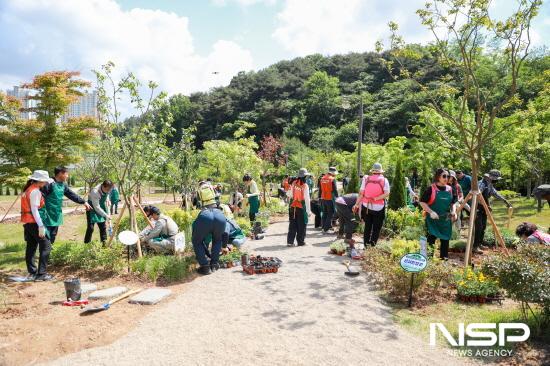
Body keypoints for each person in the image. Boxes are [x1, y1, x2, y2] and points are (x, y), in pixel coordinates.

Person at [41, 166, 91, 244]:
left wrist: (83, 202)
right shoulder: (49, 184)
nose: (67, 176)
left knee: (53, 235)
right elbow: (40, 198)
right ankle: (44, 252)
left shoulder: (63, 185)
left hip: (56, 214)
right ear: (61, 173)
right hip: (46, 214)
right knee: (45, 235)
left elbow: (72, 195)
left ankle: (48, 252)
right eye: (67, 174)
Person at [21, 170, 54, 281]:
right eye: (44, 181)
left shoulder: (28, 189)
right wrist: (41, 225)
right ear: (40, 181)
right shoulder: (35, 192)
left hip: (28, 223)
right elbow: (35, 210)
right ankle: (41, 274)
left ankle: (32, 272)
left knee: (31, 246)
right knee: (46, 246)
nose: (45, 184)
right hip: (35, 222)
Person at [419, 169, 457, 260]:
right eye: (444, 176)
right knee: (430, 240)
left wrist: (454, 211)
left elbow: (453, 203)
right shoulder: (431, 189)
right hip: (433, 220)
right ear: (438, 177)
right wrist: (431, 212)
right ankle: (427, 261)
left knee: (445, 240)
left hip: (445, 220)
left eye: (448, 176)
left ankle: (443, 262)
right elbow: (422, 202)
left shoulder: (450, 189)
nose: (446, 178)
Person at [474, 170, 513, 253]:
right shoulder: (481, 183)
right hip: (477, 208)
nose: (497, 180)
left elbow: (495, 194)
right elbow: (477, 196)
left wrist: (505, 200)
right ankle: (475, 246)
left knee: (483, 226)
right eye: (496, 179)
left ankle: (480, 243)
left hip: (484, 208)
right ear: (491, 177)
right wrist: (486, 206)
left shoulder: (489, 184)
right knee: (479, 227)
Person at [192, 181, 226, 275]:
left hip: (206, 214)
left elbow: (196, 203)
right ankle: (214, 264)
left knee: (197, 241)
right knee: (217, 240)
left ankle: (205, 266)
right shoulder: (212, 187)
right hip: (218, 214)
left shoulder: (199, 190)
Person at [354, 163, 390, 247]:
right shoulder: (384, 180)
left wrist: (356, 204)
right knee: (376, 228)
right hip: (379, 207)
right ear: (381, 172)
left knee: (367, 227)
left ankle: (366, 246)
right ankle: (372, 246)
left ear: (372, 171)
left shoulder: (366, 179)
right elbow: (387, 193)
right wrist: (376, 198)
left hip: (366, 206)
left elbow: (361, 193)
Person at [287, 168, 311, 246]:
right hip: (301, 207)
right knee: (302, 225)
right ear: (304, 177)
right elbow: (307, 199)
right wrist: (308, 211)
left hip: (293, 207)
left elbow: (289, 194)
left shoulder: (293, 183)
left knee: (292, 225)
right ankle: (300, 242)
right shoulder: (305, 186)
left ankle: (290, 242)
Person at [84, 180, 113, 244]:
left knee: (103, 227)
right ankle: (87, 243)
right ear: (103, 186)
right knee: (90, 228)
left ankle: (104, 244)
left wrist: (108, 200)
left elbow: (107, 194)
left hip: (101, 206)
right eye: (107, 190)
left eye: (109, 190)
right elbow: (96, 207)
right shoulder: (95, 192)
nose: (108, 191)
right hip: (91, 208)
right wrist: (106, 215)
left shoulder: (107, 188)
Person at [318, 167, 339, 233]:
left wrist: (319, 198)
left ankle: (323, 227)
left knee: (325, 212)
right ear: (332, 172)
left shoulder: (322, 178)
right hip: (329, 198)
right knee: (330, 213)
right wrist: (338, 198)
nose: (335, 175)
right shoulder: (332, 179)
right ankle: (326, 229)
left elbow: (320, 189)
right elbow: (335, 190)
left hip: (323, 198)